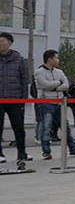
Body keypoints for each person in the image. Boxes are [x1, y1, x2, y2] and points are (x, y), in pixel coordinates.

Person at [35, 49, 75, 160]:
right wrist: (58, 83)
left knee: (65, 127)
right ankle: (46, 151)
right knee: (46, 128)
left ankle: (73, 149)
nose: (58, 60)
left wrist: (54, 86)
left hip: (59, 103)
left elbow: (66, 85)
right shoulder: (39, 72)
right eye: (56, 58)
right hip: (46, 103)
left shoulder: (59, 72)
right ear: (50, 59)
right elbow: (45, 85)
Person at [0, 32, 32, 164]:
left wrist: (23, 99)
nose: (0, 43)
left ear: (10, 43)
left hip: (15, 99)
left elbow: (24, 80)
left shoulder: (18, 59)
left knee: (19, 127)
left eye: (2, 41)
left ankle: (22, 153)